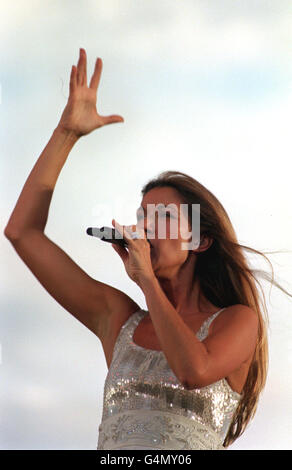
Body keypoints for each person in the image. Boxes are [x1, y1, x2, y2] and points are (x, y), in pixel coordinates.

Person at [4, 48, 289, 450]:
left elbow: (194, 370)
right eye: (143, 216)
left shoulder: (236, 322)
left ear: (201, 241)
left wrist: (148, 283)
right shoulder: (118, 319)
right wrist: (66, 133)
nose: (147, 226)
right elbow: (22, 233)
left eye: (165, 217)